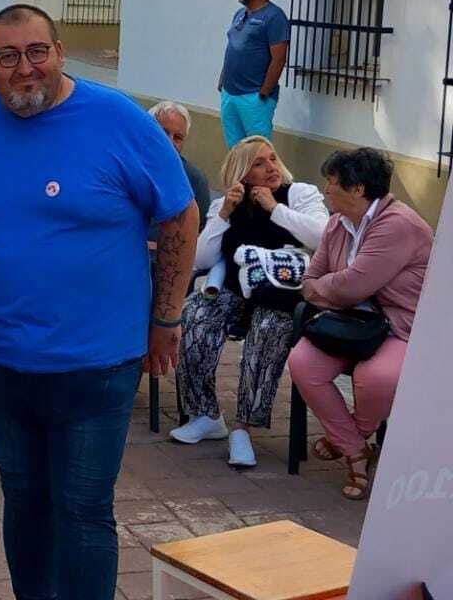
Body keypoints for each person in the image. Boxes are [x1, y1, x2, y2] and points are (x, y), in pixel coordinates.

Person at [0, 4, 199, 599]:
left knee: (81, 508)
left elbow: (180, 214)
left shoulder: (119, 121)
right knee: (24, 497)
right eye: (8, 56)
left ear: (59, 53)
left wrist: (166, 316)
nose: (24, 68)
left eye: (37, 52)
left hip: (96, 364)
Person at [171, 136, 328, 467]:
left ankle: (244, 426)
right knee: (196, 316)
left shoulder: (299, 194)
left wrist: (275, 209)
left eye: (272, 158)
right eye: (259, 163)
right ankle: (206, 414)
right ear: (242, 172)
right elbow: (199, 258)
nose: (271, 167)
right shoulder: (226, 204)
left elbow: (322, 235)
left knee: (269, 329)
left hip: (281, 293)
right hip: (233, 290)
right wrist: (225, 213)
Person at [291, 148, 432, 500]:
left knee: (376, 378)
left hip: (399, 325)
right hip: (348, 323)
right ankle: (356, 449)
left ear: (357, 189)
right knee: (302, 363)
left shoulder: (398, 224)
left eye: (332, 183)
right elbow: (311, 278)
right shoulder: (338, 222)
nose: (326, 190)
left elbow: (351, 286)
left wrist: (331, 289)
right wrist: (333, 289)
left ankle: (346, 440)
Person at [217, 0, 289, 146]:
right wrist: (222, 80)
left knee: (258, 152)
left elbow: (279, 58)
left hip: (254, 97)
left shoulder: (274, 17)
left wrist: (264, 92)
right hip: (230, 93)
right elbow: (233, 47)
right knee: (236, 152)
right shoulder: (239, 14)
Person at [147, 101, 212, 230]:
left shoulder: (195, 180)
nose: (170, 142)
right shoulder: (128, 168)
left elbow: (199, 234)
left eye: (177, 137)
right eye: (163, 133)